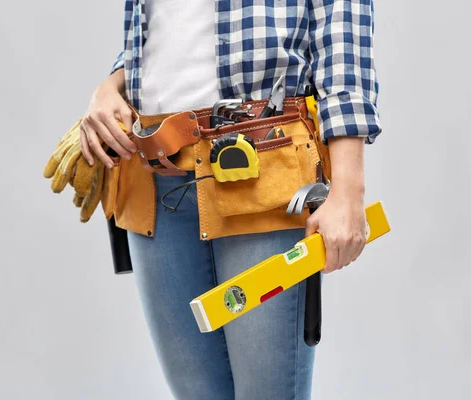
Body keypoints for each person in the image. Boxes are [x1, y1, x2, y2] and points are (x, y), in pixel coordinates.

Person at [77, 1, 381, 399]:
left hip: (261, 171)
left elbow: (343, 30)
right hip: (152, 173)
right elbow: (170, 32)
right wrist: (111, 86)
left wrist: (348, 189)